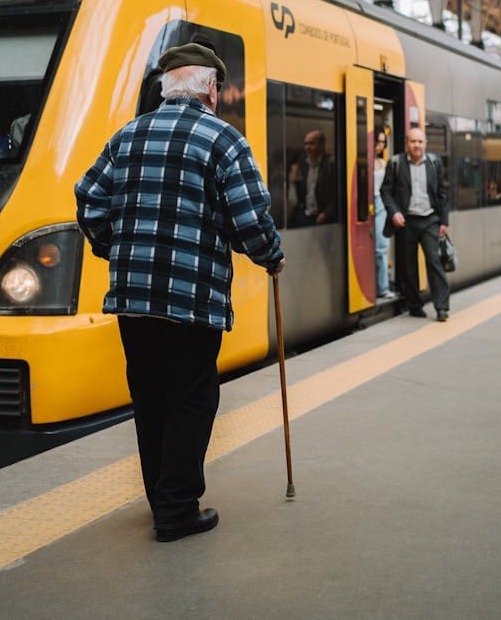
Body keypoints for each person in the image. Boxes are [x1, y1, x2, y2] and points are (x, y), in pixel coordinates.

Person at [75, 42, 285, 542]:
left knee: (150, 398)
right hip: (192, 298)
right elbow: (250, 219)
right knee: (193, 397)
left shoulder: (127, 136)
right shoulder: (223, 140)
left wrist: (116, 249)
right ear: (212, 88)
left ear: (165, 89)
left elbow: (89, 198)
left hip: (132, 296)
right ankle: (176, 510)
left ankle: (161, 500)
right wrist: (271, 256)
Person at [380, 127, 450, 321]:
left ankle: (442, 307)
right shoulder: (396, 163)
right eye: (413, 141)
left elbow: (442, 194)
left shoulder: (434, 163)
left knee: (434, 262)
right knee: (408, 267)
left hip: (430, 220)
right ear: (406, 144)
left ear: (425, 143)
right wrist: (394, 212)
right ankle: (414, 305)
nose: (417, 145)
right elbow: (385, 191)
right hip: (406, 221)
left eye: (420, 141)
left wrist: (444, 221)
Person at [288, 129, 337, 226]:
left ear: (322, 145)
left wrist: (326, 213)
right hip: (306, 217)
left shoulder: (331, 164)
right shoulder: (302, 163)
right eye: (305, 144)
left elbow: (337, 194)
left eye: (311, 144)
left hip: (324, 218)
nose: (307, 147)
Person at [373, 130, 395, 299]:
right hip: (366, 205)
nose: (379, 146)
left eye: (382, 142)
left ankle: (383, 287)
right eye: (377, 141)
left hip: (380, 204)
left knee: (381, 246)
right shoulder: (362, 161)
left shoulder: (383, 162)